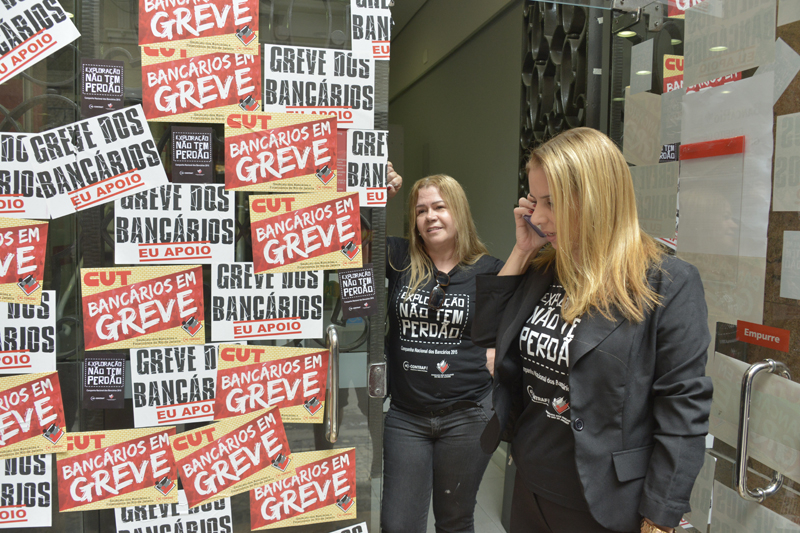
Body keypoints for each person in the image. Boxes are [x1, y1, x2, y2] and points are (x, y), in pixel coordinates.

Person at [473, 128, 713, 533]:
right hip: (530, 484)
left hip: (606, 504)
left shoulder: (666, 283)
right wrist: (522, 249)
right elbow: (486, 335)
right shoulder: (546, 270)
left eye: (552, 201)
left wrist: (660, 517)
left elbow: (683, 408)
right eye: (535, 201)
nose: (538, 217)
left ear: (597, 196)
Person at [381, 164, 504, 533]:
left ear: (459, 212)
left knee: (455, 520)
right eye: (421, 210)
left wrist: (498, 352)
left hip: (468, 415)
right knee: (397, 525)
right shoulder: (398, 258)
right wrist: (374, 198)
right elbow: (347, 240)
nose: (430, 216)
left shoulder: (489, 270)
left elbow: (514, 319)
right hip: (406, 416)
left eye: (439, 207)